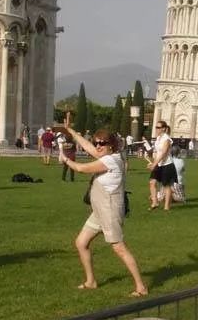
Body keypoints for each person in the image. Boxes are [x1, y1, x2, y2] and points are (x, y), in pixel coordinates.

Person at [60, 121, 148, 296]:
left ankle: (141, 287)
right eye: (96, 143)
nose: (98, 146)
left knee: (119, 248)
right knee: (81, 243)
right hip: (99, 211)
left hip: (109, 210)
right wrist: (70, 130)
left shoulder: (111, 160)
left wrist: (65, 159)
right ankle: (91, 281)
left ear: (111, 146)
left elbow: (81, 168)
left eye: (102, 143)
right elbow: (86, 145)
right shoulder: (108, 155)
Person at [148, 120, 177, 210]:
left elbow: (164, 153)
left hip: (167, 164)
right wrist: (152, 163)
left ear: (164, 128)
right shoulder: (158, 139)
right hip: (158, 164)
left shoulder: (166, 139)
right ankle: (155, 202)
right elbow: (157, 152)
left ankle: (166, 207)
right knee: (152, 182)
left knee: (166, 185)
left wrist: (154, 164)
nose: (156, 129)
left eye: (158, 127)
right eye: (156, 127)